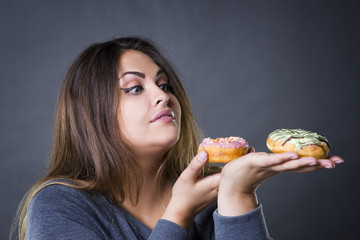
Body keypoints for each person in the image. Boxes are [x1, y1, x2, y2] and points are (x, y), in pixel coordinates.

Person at [12, 37, 343, 240]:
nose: (163, 96)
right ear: (91, 114)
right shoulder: (59, 206)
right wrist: (179, 213)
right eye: (134, 88)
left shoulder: (210, 195)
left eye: (164, 84)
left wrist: (237, 193)